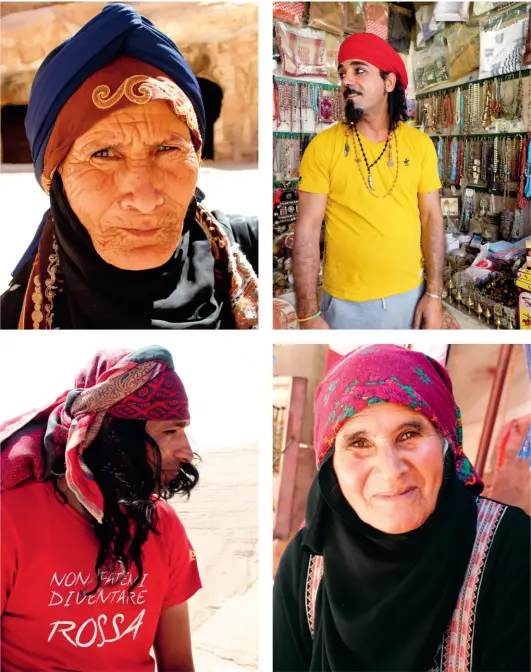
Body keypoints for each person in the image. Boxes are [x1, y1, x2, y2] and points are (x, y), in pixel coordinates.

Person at [0, 4, 258, 330]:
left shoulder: (252, 248)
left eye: (167, 149)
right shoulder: (12, 318)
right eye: (104, 154)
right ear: (56, 175)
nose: (145, 198)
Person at [273, 345, 530, 671]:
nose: (391, 470)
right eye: (359, 443)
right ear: (331, 463)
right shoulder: (306, 564)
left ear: (446, 442)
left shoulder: (512, 548)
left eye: (409, 434)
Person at [1, 346, 201, 672]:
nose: (187, 452)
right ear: (114, 434)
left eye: (184, 430)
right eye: (170, 431)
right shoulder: (10, 517)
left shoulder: (162, 522)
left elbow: (178, 664)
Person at [293, 33, 444, 330]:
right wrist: (307, 315)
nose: (347, 80)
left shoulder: (420, 145)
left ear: (389, 83)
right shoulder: (323, 147)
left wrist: (435, 294)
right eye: (342, 73)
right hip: (345, 304)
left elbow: (431, 217)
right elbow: (308, 230)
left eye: (359, 70)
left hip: (409, 298)